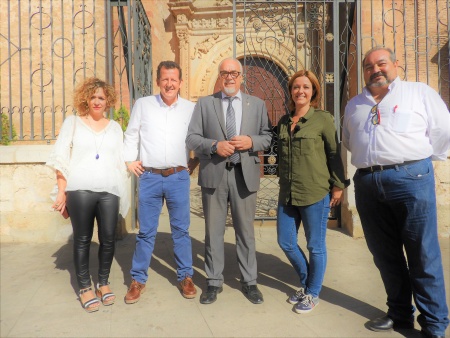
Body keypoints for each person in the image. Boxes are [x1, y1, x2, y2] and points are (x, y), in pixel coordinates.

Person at [343, 46, 450, 338]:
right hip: (368, 181)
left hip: (411, 179)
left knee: (423, 254)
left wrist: (420, 161)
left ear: (396, 65)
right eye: (368, 66)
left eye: (381, 63)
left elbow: (442, 130)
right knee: (385, 254)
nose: (375, 70)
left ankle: (434, 325)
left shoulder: (419, 93)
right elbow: (350, 141)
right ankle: (400, 313)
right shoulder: (355, 104)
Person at [186, 57, 272, 305]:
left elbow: (267, 137)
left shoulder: (256, 104)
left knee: (245, 231)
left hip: (245, 174)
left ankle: (249, 281)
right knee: (213, 231)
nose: (230, 77)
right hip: (215, 174)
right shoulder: (205, 104)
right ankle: (213, 282)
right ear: (219, 76)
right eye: (225, 73)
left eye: (234, 73)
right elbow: (192, 138)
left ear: (242, 76)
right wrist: (214, 145)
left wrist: (251, 142)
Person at [46, 77, 129, 313]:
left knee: (108, 238)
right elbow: (61, 159)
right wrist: (61, 192)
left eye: (101, 98)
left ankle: (103, 282)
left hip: (109, 190)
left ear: (108, 101)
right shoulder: (72, 123)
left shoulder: (114, 128)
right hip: (79, 189)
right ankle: (84, 287)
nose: (96, 101)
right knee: (82, 239)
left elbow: (120, 162)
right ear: (86, 99)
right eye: (92, 97)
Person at [123, 61, 199, 304]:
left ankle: (186, 276)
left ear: (180, 83)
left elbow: (198, 138)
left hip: (178, 177)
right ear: (158, 81)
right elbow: (131, 134)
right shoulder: (143, 105)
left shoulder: (190, 108)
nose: (169, 84)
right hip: (150, 177)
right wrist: (128, 160)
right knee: (146, 232)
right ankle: (138, 279)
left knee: (181, 230)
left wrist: (195, 163)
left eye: (173, 79)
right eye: (165, 79)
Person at [276, 70, 348, 314]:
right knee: (285, 241)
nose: (300, 91)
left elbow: (332, 153)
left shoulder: (323, 119)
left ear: (313, 91)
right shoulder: (284, 121)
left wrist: (338, 185)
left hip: (315, 191)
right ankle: (308, 283)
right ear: (291, 91)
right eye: (296, 87)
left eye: (306, 87)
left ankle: (313, 293)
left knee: (315, 246)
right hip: (287, 192)